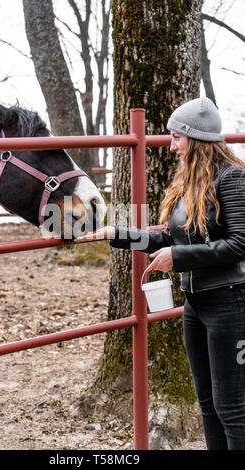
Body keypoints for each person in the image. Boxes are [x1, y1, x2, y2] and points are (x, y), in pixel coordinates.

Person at [75, 97, 245, 450]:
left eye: (176, 138)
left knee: (233, 409)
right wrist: (117, 234)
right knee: (208, 406)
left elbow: (239, 244)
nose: (170, 146)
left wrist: (177, 257)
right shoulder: (187, 185)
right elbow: (170, 237)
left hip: (231, 302)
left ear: (196, 138)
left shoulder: (232, 179)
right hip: (195, 307)